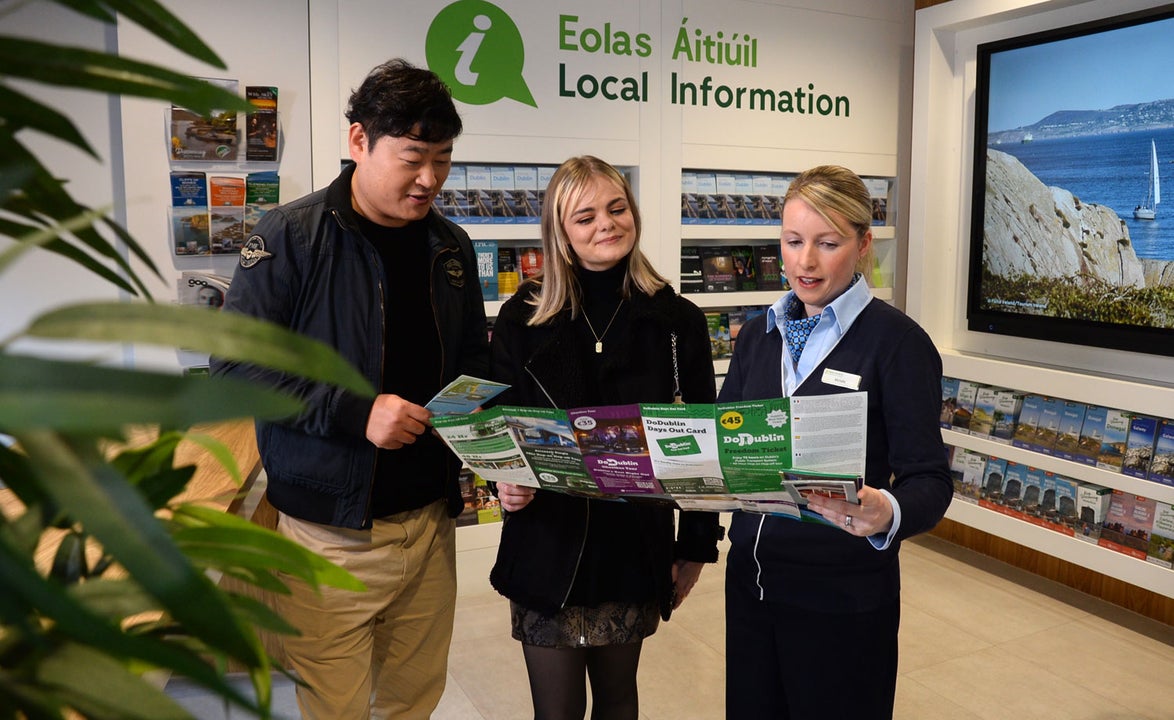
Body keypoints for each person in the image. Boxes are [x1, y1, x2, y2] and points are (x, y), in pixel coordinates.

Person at [211, 58, 489, 719]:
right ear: (358, 141)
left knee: (413, 699)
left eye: (444, 159)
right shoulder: (290, 238)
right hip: (328, 535)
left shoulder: (452, 246)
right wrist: (356, 413)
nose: (430, 180)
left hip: (429, 527)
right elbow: (234, 375)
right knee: (333, 707)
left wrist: (485, 428)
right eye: (414, 157)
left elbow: (476, 361)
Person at [488, 155, 724, 720]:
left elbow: (704, 445)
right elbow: (497, 420)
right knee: (557, 711)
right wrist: (505, 478)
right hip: (548, 542)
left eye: (616, 208)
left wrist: (693, 549)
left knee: (618, 700)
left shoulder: (677, 321)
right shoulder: (523, 316)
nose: (606, 225)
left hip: (632, 544)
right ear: (562, 234)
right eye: (585, 216)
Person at [719, 165, 952, 719]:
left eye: (827, 244)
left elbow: (930, 480)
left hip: (842, 602)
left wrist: (885, 510)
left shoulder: (898, 344)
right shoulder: (758, 335)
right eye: (793, 241)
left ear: (863, 244)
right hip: (752, 590)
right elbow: (727, 445)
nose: (805, 262)